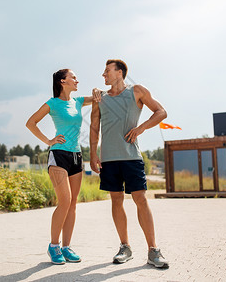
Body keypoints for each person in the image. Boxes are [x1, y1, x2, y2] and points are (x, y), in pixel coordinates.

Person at [89, 59, 169, 268]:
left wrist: (141, 128)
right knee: (116, 200)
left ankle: (153, 250)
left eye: (107, 71)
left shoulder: (137, 91)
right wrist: (92, 154)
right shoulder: (100, 98)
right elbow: (94, 127)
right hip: (108, 159)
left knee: (140, 199)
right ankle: (125, 246)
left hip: (131, 157)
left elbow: (161, 112)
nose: (103, 74)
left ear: (120, 73)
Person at [26, 69, 100, 265]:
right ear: (62, 81)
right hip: (58, 155)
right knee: (65, 201)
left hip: (76, 155)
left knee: (73, 203)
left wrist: (96, 90)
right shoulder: (52, 103)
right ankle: (54, 245)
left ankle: (67, 247)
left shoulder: (77, 101)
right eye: (73, 77)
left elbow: (98, 96)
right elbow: (30, 123)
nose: (77, 80)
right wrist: (49, 141)